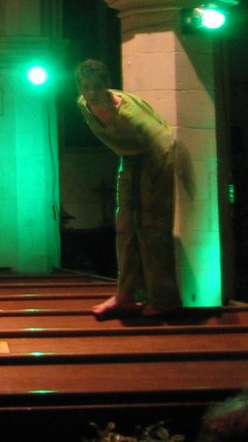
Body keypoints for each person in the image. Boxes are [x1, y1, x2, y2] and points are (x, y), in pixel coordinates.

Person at [74, 59, 180, 319]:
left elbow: (165, 145)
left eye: (97, 87)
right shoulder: (83, 105)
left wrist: (156, 187)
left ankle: (163, 298)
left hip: (155, 158)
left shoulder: (131, 115)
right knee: (124, 228)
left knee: (151, 228)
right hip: (130, 158)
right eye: (86, 86)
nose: (91, 92)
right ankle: (125, 295)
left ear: (107, 87)